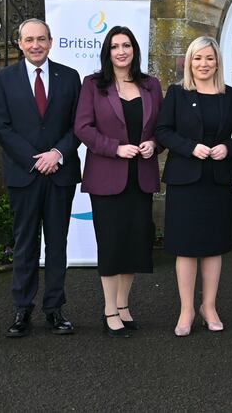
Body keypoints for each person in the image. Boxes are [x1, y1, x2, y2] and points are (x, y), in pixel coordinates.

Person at [0, 18, 81, 338]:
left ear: (51, 41)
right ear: (19, 43)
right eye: (29, 40)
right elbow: (1, 126)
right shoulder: (4, 79)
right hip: (24, 174)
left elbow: (78, 125)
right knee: (25, 243)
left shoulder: (70, 78)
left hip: (60, 173)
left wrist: (57, 154)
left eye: (41, 39)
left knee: (57, 244)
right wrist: (35, 159)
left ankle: (55, 309)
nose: (35, 45)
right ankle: (22, 309)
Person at [73, 25, 163, 337]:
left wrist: (153, 143)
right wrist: (115, 148)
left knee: (134, 245)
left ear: (134, 50)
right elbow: (82, 128)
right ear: (107, 52)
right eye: (115, 46)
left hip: (141, 179)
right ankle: (109, 309)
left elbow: (160, 127)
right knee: (111, 245)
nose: (121, 51)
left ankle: (124, 305)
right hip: (106, 178)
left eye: (126, 45)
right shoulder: (93, 85)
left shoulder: (151, 85)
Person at [155, 36, 232, 337]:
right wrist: (190, 147)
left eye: (209, 58)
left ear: (217, 61)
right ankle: (187, 309)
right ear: (189, 62)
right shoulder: (177, 94)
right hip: (185, 179)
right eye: (197, 58)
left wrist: (228, 148)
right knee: (186, 247)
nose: (203, 64)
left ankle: (209, 306)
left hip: (217, 180)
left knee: (213, 246)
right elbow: (163, 131)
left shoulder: (231, 96)